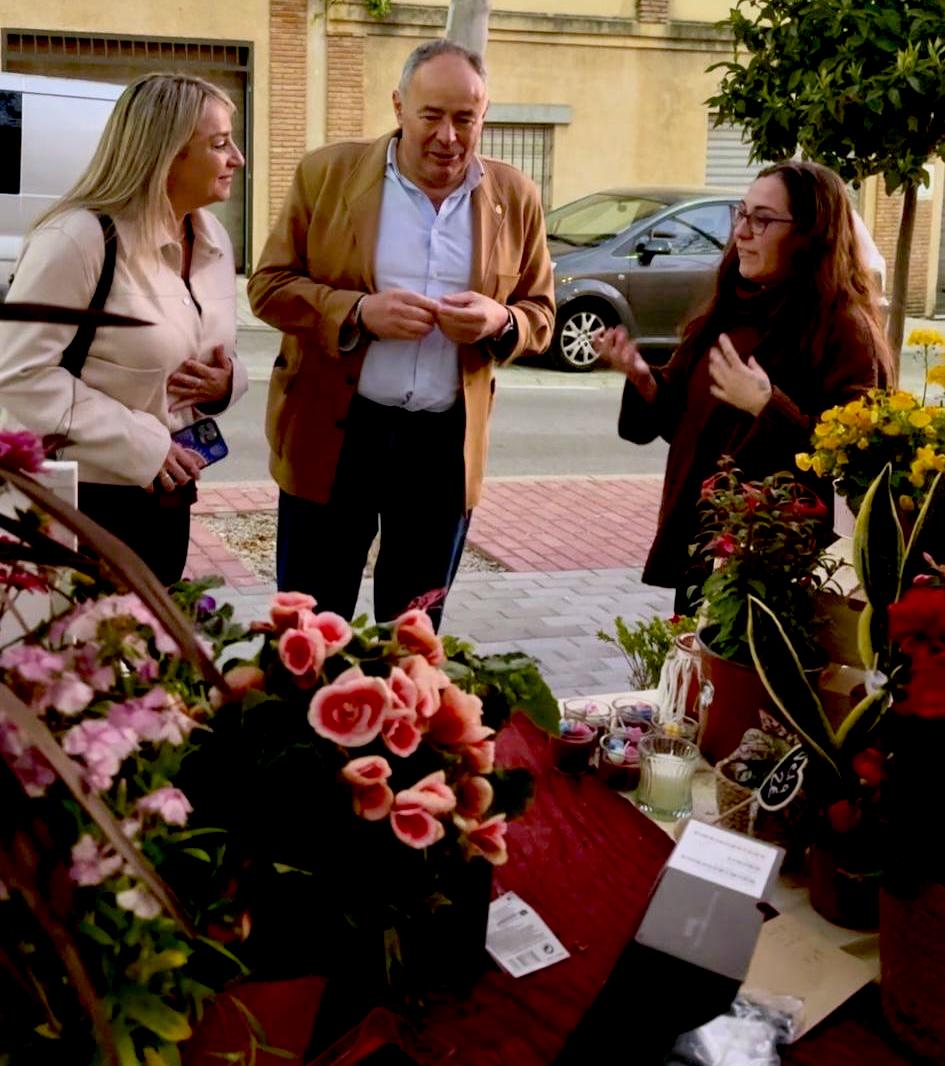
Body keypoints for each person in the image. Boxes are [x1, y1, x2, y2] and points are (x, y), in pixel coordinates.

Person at [249, 39, 554, 629]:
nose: (448, 137)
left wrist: (500, 321)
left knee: (412, 634)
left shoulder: (515, 196)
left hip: (441, 447)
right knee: (311, 629)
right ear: (398, 107)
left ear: (484, 114)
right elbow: (268, 286)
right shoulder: (327, 174)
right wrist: (358, 312)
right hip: (336, 433)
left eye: (465, 119)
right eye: (431, 116)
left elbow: (540, 313)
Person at [594, 160, 892, 612]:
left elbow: (857, 463)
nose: (741, 232)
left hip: (783, 571)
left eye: (763, 220)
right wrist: (643, 378)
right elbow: (684, 422)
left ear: (811, 234)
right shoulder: (729, 309)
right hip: (706, 549)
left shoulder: (844, 330)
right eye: (742, 213)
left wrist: (767, 406)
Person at [0, 73, 247, 585]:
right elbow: (19, 374)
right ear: (167, 153)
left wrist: (227, 384)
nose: (238, 159)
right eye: (220, 144)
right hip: (85, 502)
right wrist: (145, 447)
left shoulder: (213, 239)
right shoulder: (79, 238)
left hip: (170, 495)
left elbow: (205, 351)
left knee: (153, 631)